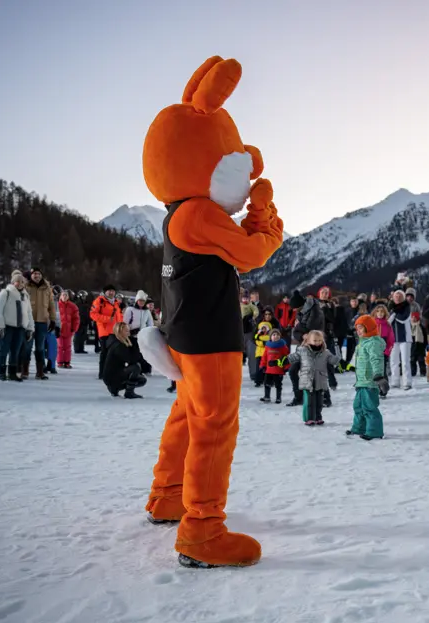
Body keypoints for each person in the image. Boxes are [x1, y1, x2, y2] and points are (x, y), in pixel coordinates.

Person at [141, 56, 285, 569]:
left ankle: (168, 496)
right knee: (214, 426)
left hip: (185, 332)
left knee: (186, 416)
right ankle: (202, 530)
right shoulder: (199, 212)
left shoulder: (177, 214)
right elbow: (255, 251)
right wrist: (265, 214)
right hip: (210, 340)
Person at [284, 330, 341, 426]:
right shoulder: (302, 351)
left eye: (319, 340)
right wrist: (280, 361)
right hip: (307, 381)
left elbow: (334, 360)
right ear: (308, 341)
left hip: (320, 380)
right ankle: (309, 418)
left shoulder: (326, 352)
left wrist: (338, 356)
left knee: (319, 402)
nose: (318, 342)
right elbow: (292, 357)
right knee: (309, 402)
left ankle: (318, 417)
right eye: (315, 340)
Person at [346, 315, 388, 440]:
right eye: (357, 329)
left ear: (368, 328)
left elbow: (377, 360)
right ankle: (359, 428)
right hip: (361, 382)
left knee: (369, 407)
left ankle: (374, 431)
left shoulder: (373, 343)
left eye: (360, 328)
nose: (358, 331)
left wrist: (378, 376)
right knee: (358, 406)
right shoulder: (362, 343)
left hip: (370, 381)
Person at [0, 272, 35, 382]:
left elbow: (29, 313)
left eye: (22, 282)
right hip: (7, 326)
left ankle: (12, 373)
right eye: (17, 281)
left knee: (15, 351)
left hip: (20, 328)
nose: (20, 284)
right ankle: (1, 371)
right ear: (13, 282)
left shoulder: (25, 296)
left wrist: (30, 328)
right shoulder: (5, 293)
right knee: (4, 349)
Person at [20, 267, 57, 380]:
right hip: (28, 322)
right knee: (27, 347)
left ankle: (40, 372)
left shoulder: (47, 288)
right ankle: (24, 370)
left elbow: (51, 305)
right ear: (31, 276)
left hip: (42, 321)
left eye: (39, 274)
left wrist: (53, 320)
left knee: (40, 348)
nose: (37, 276)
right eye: (34, 274)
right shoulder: (26, 287)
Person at [103, 323, 147, 399]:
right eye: (126, 331)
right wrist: (137, 347)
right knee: (136, 367)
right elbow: (131, 360)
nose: (129, 333)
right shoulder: (119, 345)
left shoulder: (116, 342)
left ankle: (115, 389)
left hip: (111, 376)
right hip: (112, 378)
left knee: (141, 379)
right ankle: (129, 392)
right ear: (120, 332)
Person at [90, 285, 122, 381]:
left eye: (113, 291)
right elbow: (93, 314)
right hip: (105, 331)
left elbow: (119, 316)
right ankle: (102, 373)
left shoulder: (116, 303)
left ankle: (112, 372)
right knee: (105, 353)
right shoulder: (99, 301)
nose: (111, 293)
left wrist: (121, 326)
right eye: (109, 291)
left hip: (115, 332)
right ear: (105, 292)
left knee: (114, 354)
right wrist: (107, 319)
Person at [387, 290, 414, 390]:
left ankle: (407, 382)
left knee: (405, 361)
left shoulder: (406, 307)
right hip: (393, 338)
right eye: (396, 296)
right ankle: (395, 381)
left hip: (405, 338)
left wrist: (393, 314)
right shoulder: (391, 308)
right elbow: (387, 321)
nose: (397, 298)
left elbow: (403, 318)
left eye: (399, 296)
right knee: (394, 361)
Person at [259, 329, 289, 403]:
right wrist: (262, 365)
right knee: (267, 383)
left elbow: (286, 357)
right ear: (270, 337)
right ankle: (267, 396)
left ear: (280, 336)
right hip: (268, 370)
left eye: (277, 335)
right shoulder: (268, 346)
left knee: (278, 384)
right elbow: (264, 357)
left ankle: (278, 398)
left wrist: (286, 367)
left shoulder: (283, 346)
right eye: (274, 335)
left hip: (278, 370)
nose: (276, 336)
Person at [56, 290, 80, 369]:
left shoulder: (73, 306)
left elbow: (76, 318)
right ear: (60, 296)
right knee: (60, 346)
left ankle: (67, 362)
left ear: (68, 297)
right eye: (63, 295)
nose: (64, 296)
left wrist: (74, 328)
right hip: (59, 329)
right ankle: (60, 362)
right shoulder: (57, 305)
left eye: (66, 295)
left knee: (68, 347)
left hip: (69, 330)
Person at [410, 311, 427, 378]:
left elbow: (425, 336)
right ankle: (413, 372)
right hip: (412, 346)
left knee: (421, 360)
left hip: (420, 346)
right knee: (412, 360)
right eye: (412, 317)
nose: (413, 319)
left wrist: (425, 345)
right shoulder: (409, 326)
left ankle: (423, 372)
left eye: (415, 317)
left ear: (418, 318)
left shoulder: (421, 327)